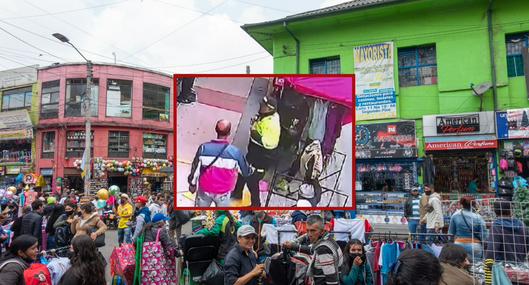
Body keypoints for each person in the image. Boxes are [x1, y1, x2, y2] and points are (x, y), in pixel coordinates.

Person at [188, 119, 252, 207]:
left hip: (205, 189)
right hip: (223, 192)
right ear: (229, 133)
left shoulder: (204, 148)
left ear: (216, 130)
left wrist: (192, 184)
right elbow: (245, 172)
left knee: (200, 216)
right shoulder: (235, 153)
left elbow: (195, 169)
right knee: (221, 218)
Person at [242, 96, 281, 207]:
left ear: (269, 109)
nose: (261, 106)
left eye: (264, 106)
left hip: (261, 159)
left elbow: (270, 144)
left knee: (252, 182)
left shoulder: (271, 124)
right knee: (243, 173)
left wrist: (254, 133)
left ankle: (256, 204)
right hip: (253, 154)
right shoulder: (265, 115)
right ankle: (237, 194)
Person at [284, 214, 343, 285]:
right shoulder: (327, 239)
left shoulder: (323, 249)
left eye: (312, 231)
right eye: (307, 230)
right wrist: (293, 245)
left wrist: (294, 245)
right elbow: (312, 249)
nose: (309, 234)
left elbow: (332, 280)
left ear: (322, 231)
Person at [448, 196, 488, 261]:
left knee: (459, 267)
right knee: (476, 267)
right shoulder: (478, 217)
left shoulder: (455, 215)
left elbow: (450, 233)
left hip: (459, 246)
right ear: (473, 204)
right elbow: (484, 234)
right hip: (474, 246)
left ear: (461, 204)